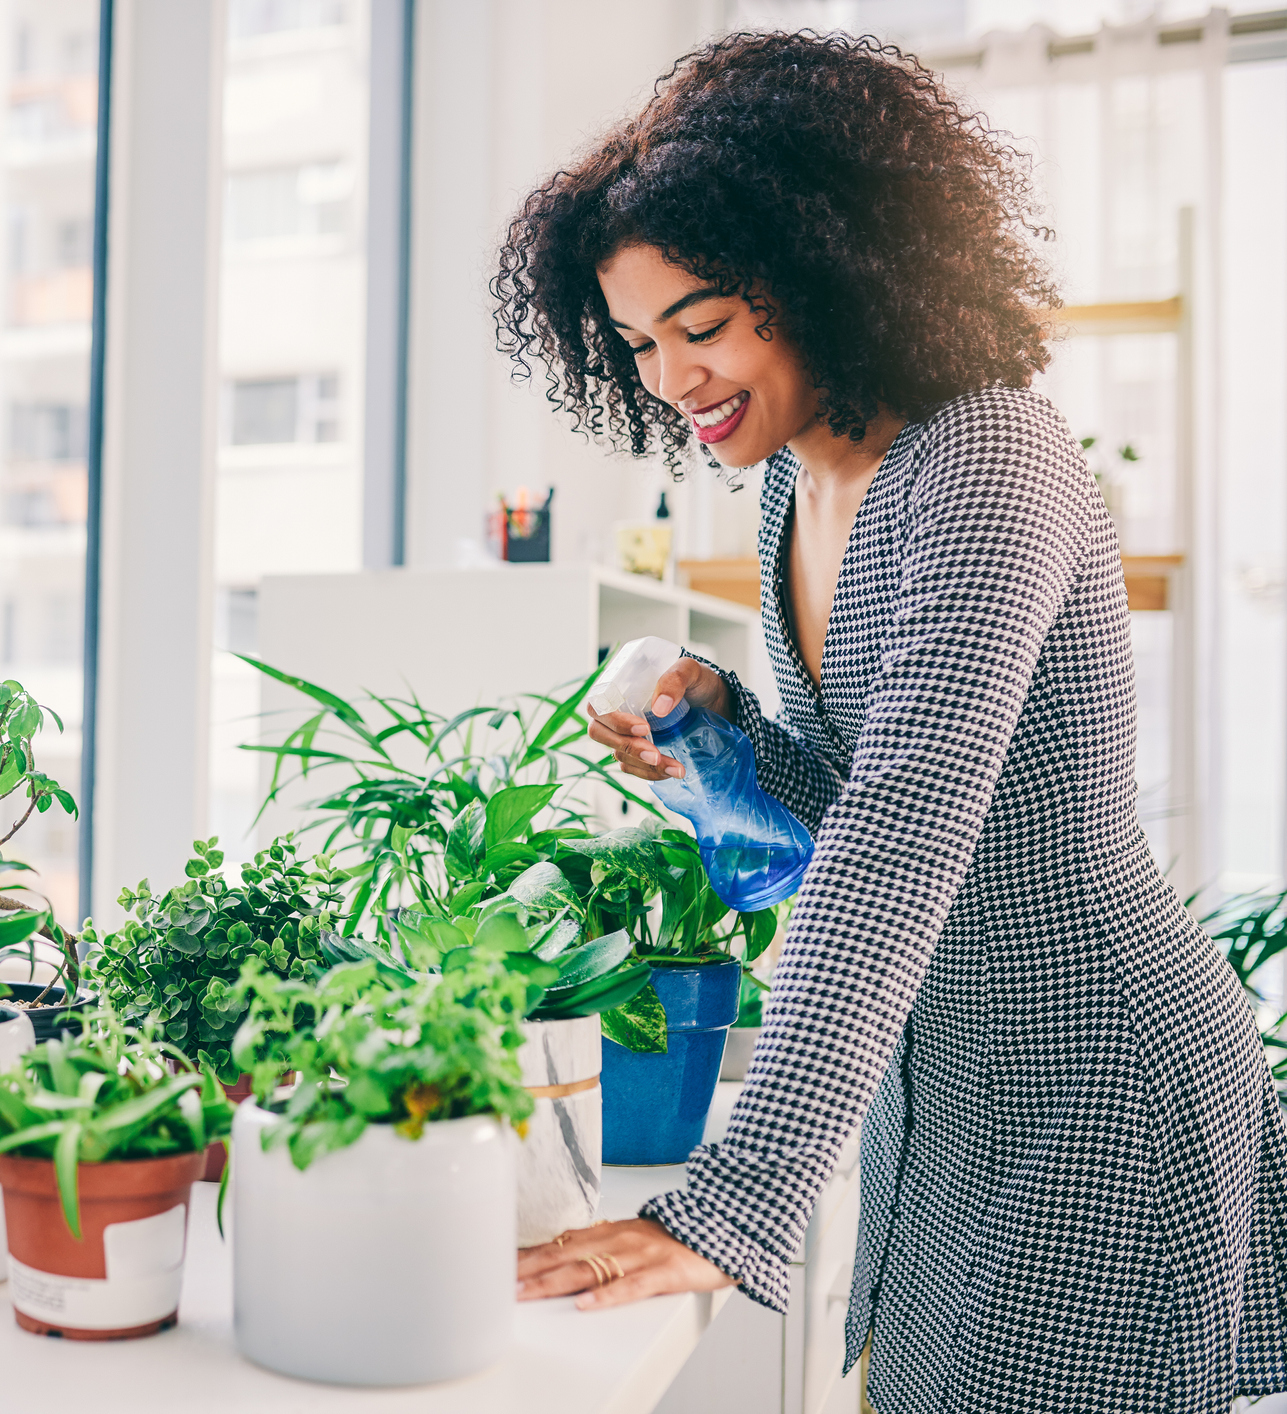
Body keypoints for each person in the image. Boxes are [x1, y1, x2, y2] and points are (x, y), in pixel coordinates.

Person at [491, 31, 1287, 1413]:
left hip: (1095, 1077)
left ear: (818, 272)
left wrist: (730, 1201)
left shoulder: (989, 458)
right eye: (637, 345)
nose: (675, 379)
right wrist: (727, 730)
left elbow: (905, 838)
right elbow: (852, 801)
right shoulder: (797, 485)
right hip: (946, 1084)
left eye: (702, 324)